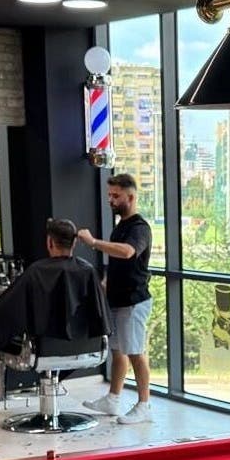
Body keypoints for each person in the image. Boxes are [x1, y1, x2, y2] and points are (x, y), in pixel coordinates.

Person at [0, 219, 109, 398]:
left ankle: (8, 379)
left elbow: (4, 311)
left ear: (49, 242)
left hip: (41, 351)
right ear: (74, 243)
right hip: (85, 348)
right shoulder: (88, 270)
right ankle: (33, 381)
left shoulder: (36, 271)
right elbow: (101, 316)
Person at [78, 173, 154, 425]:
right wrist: (106, 281)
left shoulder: (140, 228)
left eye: (116, 196)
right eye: (109, 195)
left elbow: (128, 252)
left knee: (135, 352)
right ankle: (113, 398)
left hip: (134, 301)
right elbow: (118, 261)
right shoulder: (121, 225)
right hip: (117, 299)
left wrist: (93, 242)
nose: (110, 200)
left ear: (130, 197)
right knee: (118, 350)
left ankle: (144, 405)